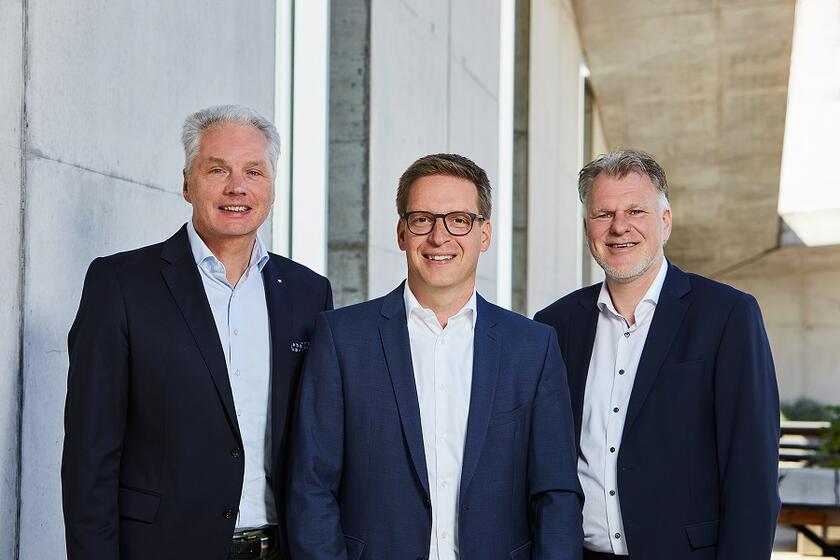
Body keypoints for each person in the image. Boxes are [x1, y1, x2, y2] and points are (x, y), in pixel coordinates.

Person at [61, 105, 332, 560]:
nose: (237, 187)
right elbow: (90, 458)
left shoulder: (309, 292)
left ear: (271, 186)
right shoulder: (121, 284)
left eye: (254, 171)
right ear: (187, 183)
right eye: (217, 169)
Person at [287, 153, 583, 559]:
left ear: (484, 234)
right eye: (422, 219)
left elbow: (556, 496)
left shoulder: (532, 347)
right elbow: (311, 487)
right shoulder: (342, 339)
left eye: (458, 219)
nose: (439, 237)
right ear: (401, 233)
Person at [534, 149, 780, 560]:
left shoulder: (728, 316)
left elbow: (751, 475)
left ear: (665, 222)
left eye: (635, 211)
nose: (619, 227)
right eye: (603, 214)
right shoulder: (554, 326)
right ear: (587, 227)